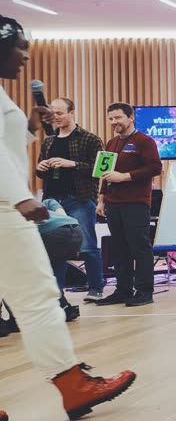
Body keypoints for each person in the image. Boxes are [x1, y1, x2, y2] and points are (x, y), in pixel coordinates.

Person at [0, 16, 136, 421]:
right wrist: (21, 196)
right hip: (4, 207)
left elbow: (5, 147)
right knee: (38, 297)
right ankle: (73, 385)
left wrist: (29, 127)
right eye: (19, 47)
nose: (25, 57)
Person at [35, 97, 105, 301]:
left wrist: (72, 164)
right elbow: (41, 172)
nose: (55, 117)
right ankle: (57, 294)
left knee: (87, 245)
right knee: (56, 247)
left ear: (72, 113)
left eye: (60, 113)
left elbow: (100, 170)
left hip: (79, 199)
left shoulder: (90, 139)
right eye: (53, 113)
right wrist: (40, 168)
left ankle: (96, 288)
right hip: (52, 199)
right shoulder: (48, 141)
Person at [95, 102, 162, 307]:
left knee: (139, 247)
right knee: (119, 249)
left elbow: (155, 167)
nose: (114, 122)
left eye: (118, 118)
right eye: (111, 118)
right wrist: (101, 199)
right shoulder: (111, 143)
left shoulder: (144, 141)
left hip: (135, 203)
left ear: (131, 117)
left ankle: (144, 291)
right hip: (113, 203)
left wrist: (125, 176)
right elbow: (104, 174)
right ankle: (123, 290)